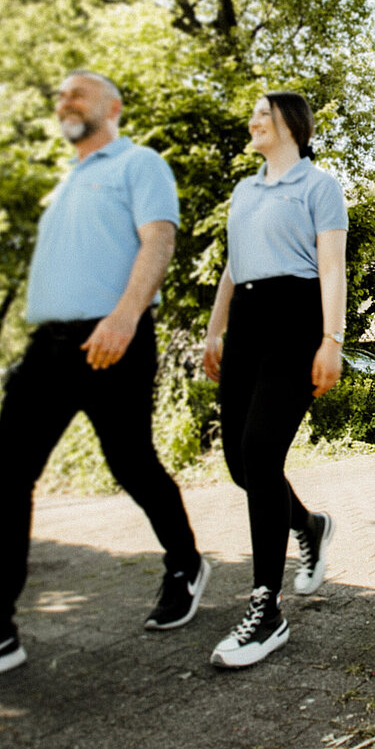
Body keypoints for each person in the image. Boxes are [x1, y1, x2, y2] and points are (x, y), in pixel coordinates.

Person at [0, 70, 209, 675]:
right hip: (50, 346)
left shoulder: (137, 163)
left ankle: (185, 562)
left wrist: (123, 317)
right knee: (8, 471)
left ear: (112, 106)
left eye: (77, 93)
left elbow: (158, 240)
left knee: (131, 463)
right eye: (60, 95)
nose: (64, 101)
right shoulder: (66, 182)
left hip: (114, 336)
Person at [203, 90, 347, 669]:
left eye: (264, 112)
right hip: (245, 326)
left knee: (261, 452)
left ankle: (267, 608)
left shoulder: (319, 186)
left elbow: (332, 265)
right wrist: (215, 332)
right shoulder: (244, 190)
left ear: (292, 123)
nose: (254, 120)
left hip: (295, 323)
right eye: (254, 114)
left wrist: (331, 340)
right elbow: (234, 267)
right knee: (240, 463)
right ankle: (309, 525)